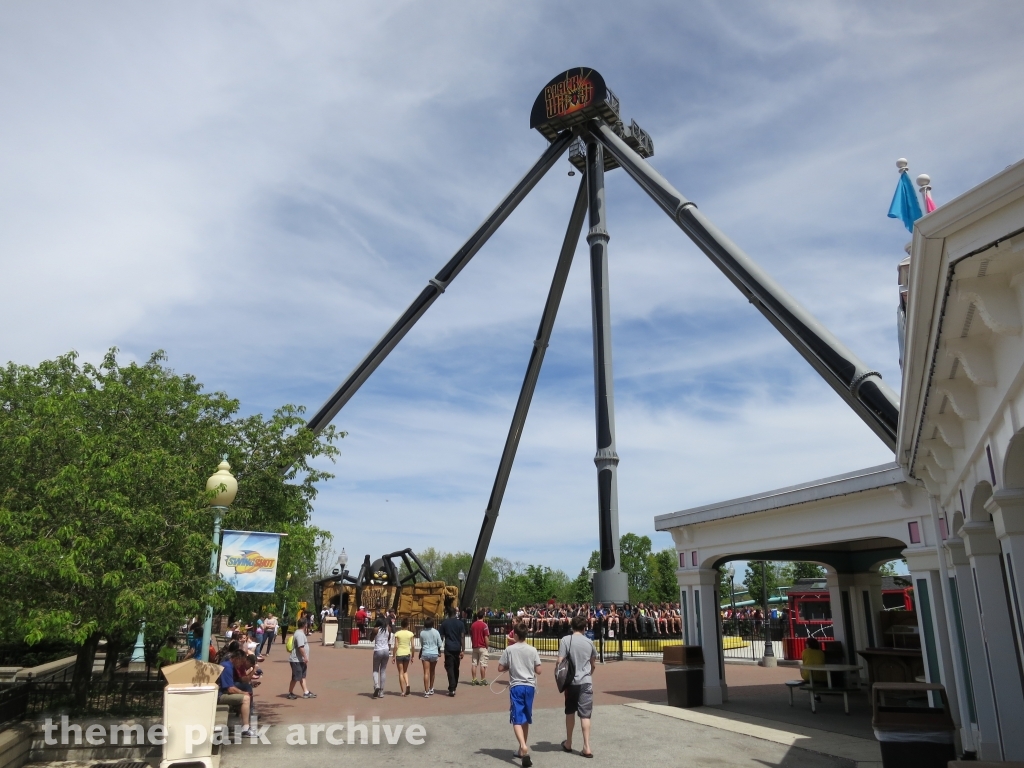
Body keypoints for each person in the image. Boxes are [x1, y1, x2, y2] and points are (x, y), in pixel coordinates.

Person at [498, 623, 542, 768]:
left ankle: (523, 746)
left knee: (516, 717)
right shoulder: (532, 649)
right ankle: (521, 748)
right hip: (529, 686)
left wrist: (511, 665)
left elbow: (500, 667)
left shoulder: (510, 650)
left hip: (516, 686)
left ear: (515, 635)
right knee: (526, 717)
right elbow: (539, 670)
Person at [558, 615, 597, 757]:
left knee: (570, 711)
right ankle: (587, 746)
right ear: (584, 627)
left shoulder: (566, 640)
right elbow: (593, 664)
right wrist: (588, 673)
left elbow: (560, 661)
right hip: (586, 681)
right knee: (585, 714)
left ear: (572, 626)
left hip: (571, 682)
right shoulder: (589, 642)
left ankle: (568, 742)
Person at [217, 650, 252, 737]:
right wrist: (244, 693)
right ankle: (245, 729)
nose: (241, 665)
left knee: (245, 693)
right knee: (246, 698)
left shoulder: (228, 665)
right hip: (219, 696)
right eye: (241, 662)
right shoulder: (228, 667)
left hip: (219, 693)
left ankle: (245, 724)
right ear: (236, 659)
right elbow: (230, 689)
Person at [439, 607, 466, 697]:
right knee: (456, 667)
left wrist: (439, 649)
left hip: (448, 647)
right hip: (457, 648)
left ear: (448, 614)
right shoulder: (460, 623)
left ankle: (452, 687)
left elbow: (441, 637)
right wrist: (463, 650)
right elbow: (462, 637)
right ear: (455, 613)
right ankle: (454, 686)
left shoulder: (444, 623)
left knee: (449, 667)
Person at [286, 619, 315, 700]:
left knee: (302, 676)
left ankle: (306, 692)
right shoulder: (299, 634)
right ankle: (290, 692)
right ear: (305, 625)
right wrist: (305, 657)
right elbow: (300, 647)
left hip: (300, 660)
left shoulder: (301, 633)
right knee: (296, 677)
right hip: (296, 659)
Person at [419, 617, 443, 697]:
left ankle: (426, 691)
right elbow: (440, 643)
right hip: (434, 653)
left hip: (425, 652)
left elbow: (421, 644)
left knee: (426, 672)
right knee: (432, 671)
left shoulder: (422, 633)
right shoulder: (436, 632)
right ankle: (431, 688)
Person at [392, 617, 415, 696]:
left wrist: (393, 656)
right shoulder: (410, 633)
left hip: (399, 654)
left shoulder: (398, 633)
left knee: (400, 673)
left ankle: (402, 691)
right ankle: (407, 684)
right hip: (407, 653)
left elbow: (396, 646)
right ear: (407, 625)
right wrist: (413, 656)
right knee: (405, 671)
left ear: (401, 625)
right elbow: (412, 646)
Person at [470, 610, 490, 685]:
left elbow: (471, 636)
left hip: (475, 646)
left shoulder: (473, 625)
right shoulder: (484, 625)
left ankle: (474, 679)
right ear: (483, 617)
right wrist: (487, 646)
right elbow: (486, 637)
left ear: (477, 617)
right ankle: (483, 679)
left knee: (474, 664)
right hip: (482, 646)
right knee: (483, 664)